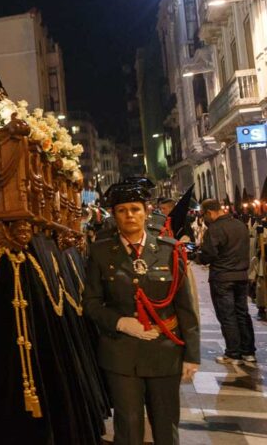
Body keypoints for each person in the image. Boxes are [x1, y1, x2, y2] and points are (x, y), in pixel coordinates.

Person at [82, 180, 200, 445]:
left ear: (146, 212)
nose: (129, 215)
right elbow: (90, 303)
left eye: (135, 209)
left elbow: (186, 308)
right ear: (114, 214)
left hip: (165, 350)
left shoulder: (170, 251)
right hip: (121, 354)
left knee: (165, 425)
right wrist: (120, 322)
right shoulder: (101, 253)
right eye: (122, 210)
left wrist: (191, 355)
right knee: (128, 426)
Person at [200, 198, 257, 365]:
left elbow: (208, 255)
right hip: (241, 276)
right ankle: (248, 352)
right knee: (242, 313)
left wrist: (198, 256)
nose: (204, 218)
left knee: (227, 315)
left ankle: (233, 353)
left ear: (209, 212)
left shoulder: (215, 228)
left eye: (204, 215)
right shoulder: (240, 225)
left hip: (222, 277)